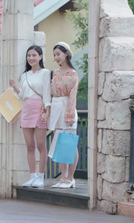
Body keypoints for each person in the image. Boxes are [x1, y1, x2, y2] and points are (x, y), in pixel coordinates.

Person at [9, 45, 51, 188]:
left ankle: (40, 176)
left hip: (39, 108)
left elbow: (47, 94)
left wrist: (47, 112)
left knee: (41, 145)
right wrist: (15, 86)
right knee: (29, 145)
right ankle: (32, 176)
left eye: (34, 55)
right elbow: (22, 96)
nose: (31, 58)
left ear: (40, 57)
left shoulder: (45, 73)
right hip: (26, 109)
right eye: (29, 56)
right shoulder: (24, 75)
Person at [48, 42, 79, 189]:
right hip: (56, 109)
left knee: (70, 142)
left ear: (66, 53)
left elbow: (73, 96)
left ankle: (70, 178)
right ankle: (63, 177)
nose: (56, 57)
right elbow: (51, 93)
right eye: (54, 55)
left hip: (67, 108)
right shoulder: (54, 73)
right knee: (59, 143)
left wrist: (70, 113)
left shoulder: (73, 74)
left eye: (58, 54)